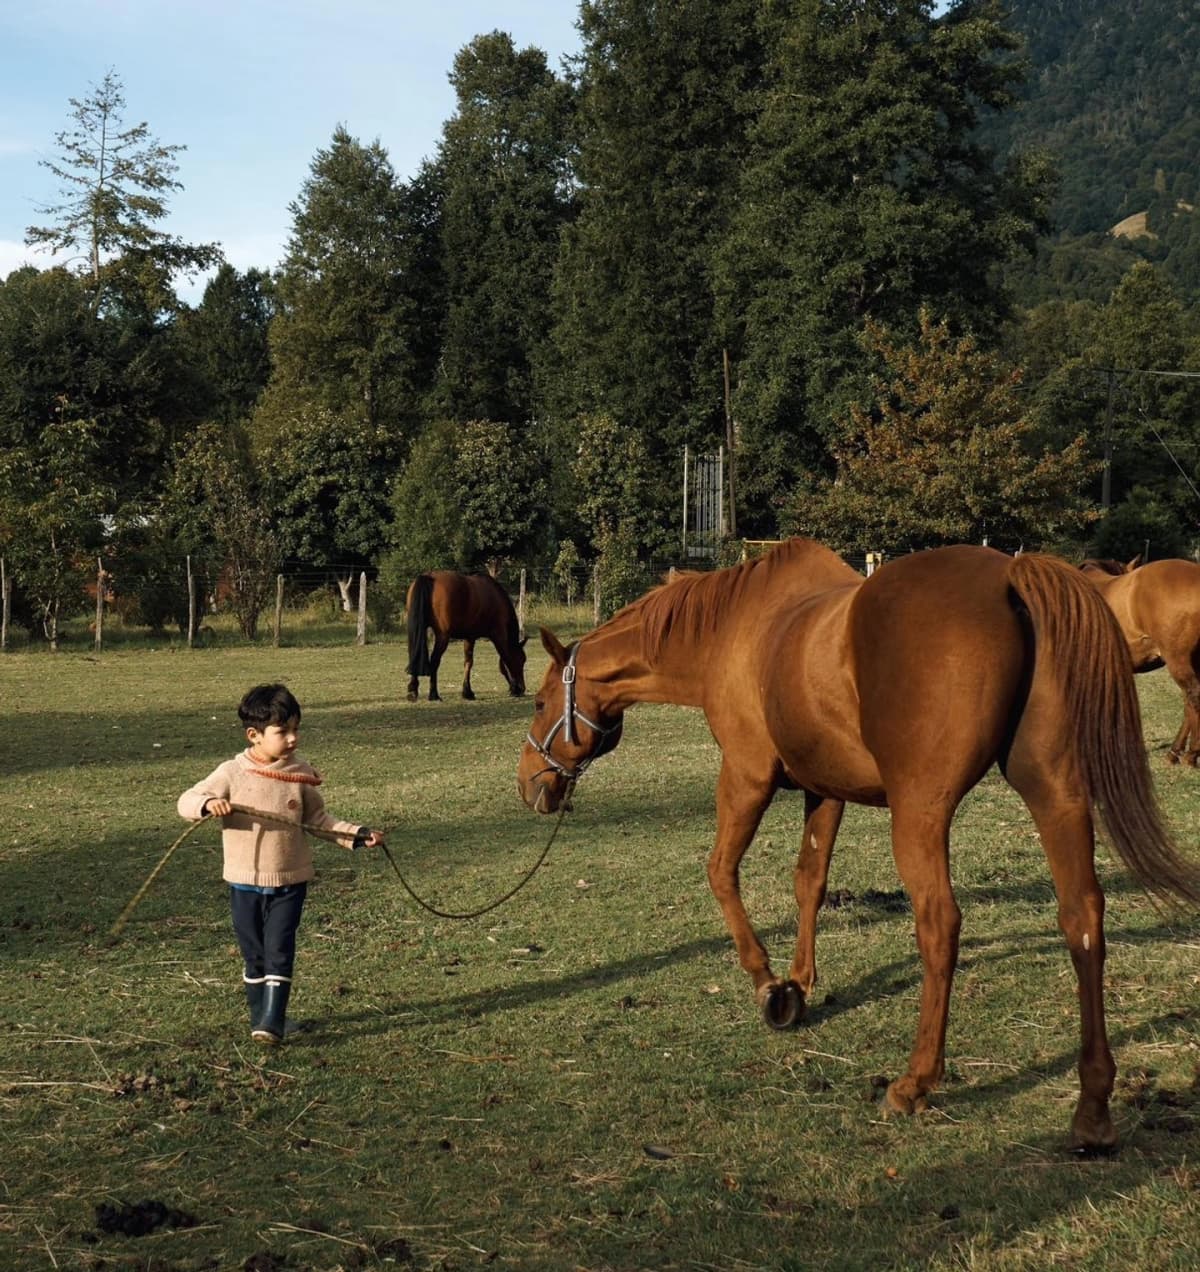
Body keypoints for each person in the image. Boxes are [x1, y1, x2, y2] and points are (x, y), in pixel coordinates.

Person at [177, 683, 384, 1044]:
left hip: (290, 881)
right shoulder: (231, 772)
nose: (292, 738)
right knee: (253, 953)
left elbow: (319, 821)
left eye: (296, 729)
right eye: (282, 731)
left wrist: (357, 833)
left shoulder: (300, 774)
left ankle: (272, 1020)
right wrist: (209, 805)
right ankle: (263, 1018)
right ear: (254, 735)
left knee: (279, 949)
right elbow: (188, 799)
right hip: (244, 883)